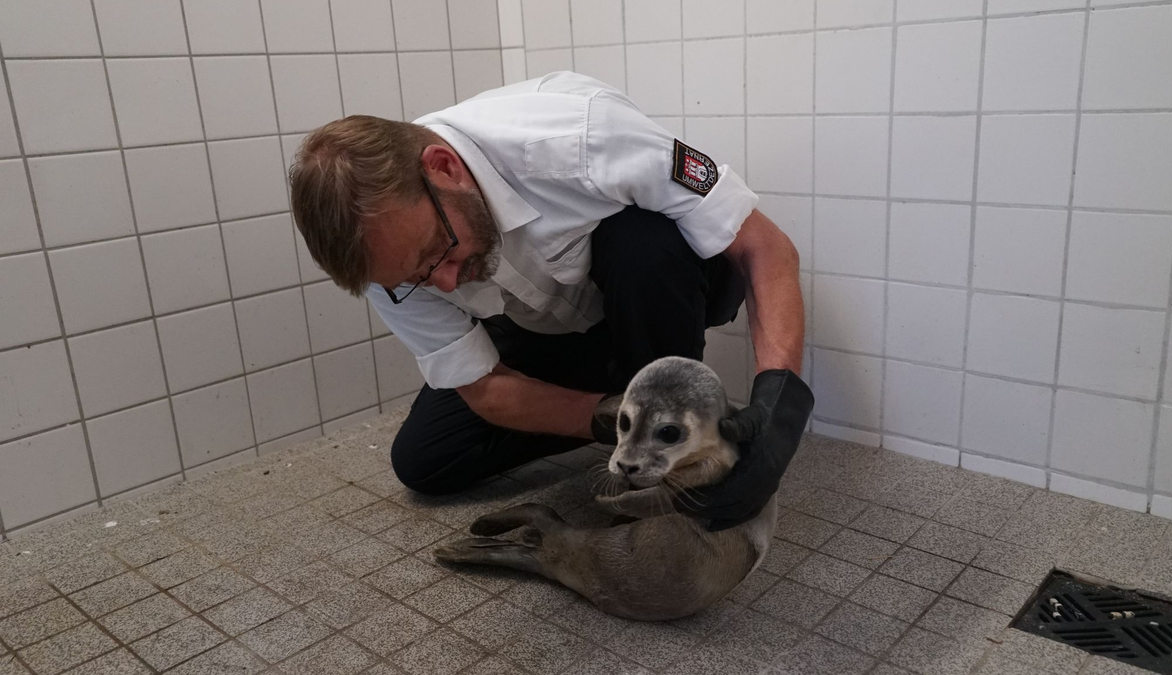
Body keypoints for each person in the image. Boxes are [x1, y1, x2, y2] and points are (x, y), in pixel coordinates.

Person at [288, 72, 814, 531]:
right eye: (416, 279)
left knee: (645, 242)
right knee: (426, 460)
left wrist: (778, 408)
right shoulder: (390, 265)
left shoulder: (580, 138)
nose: (444, 284)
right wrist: (611, 418)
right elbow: (483, 387)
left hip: (659, 291)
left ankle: (678, 439)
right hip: (552, 329)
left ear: (444, 168)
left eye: (437, 253)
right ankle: (645, 418)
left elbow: (765, 249)